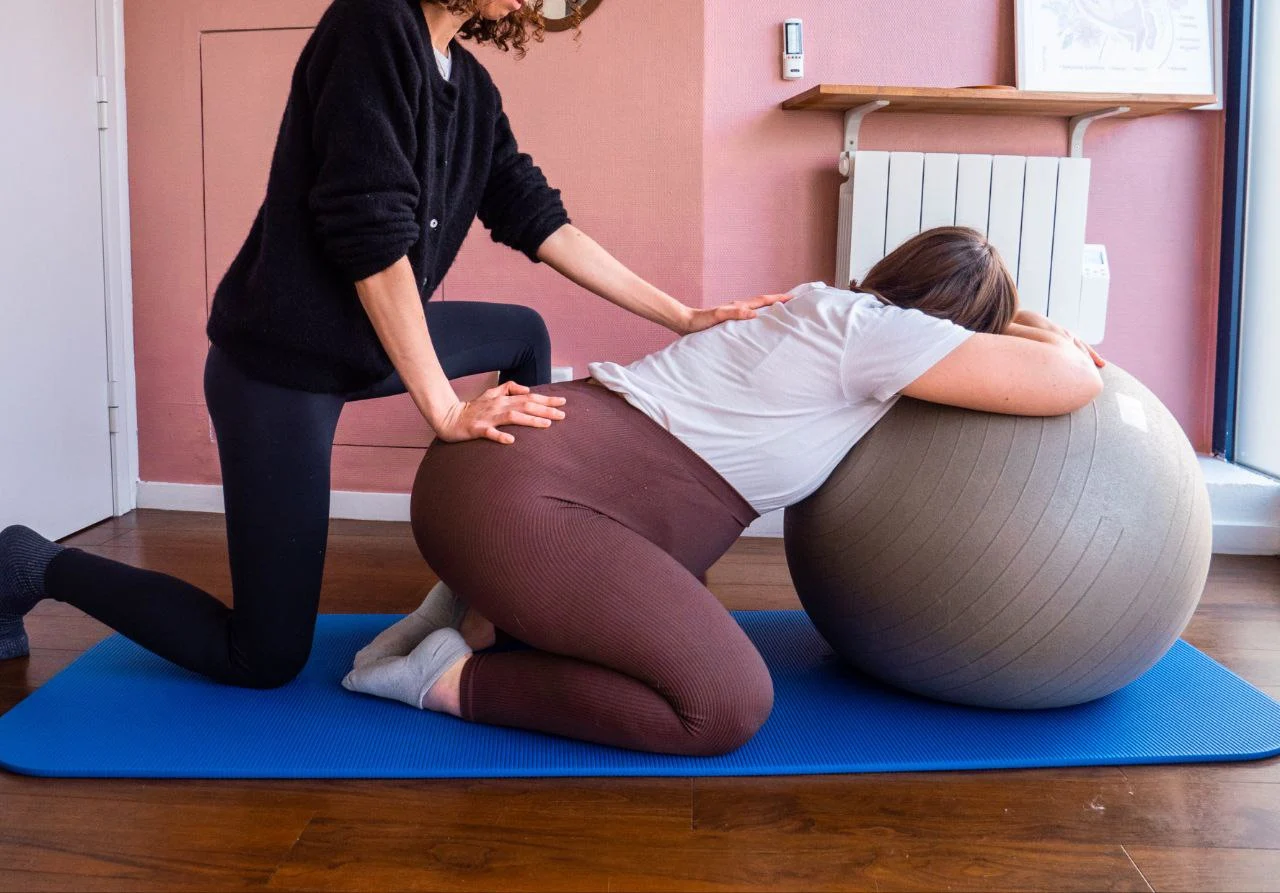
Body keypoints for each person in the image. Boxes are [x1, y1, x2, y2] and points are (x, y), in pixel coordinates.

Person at [0, 0, 782, 680]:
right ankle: (32, 562)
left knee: (523, 336)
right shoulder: (372, 25)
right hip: (281, 367)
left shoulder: (470, 86)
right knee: (264, 657)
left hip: (366, 341)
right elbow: (370, 234)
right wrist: (443, 408)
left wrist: (680, 314)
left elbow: (536, 216)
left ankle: (505, 572)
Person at [339, 226, 1108, 756]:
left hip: (490, 464)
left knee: (674, 604)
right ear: (964, 326)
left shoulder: (817, 307)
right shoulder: (889, 337)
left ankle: (471, 611)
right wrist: (1044, 332)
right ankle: (441, 679)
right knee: (723, 705)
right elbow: (1068, 381)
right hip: (518, 505)